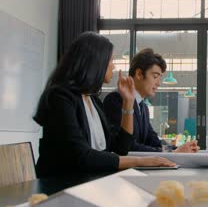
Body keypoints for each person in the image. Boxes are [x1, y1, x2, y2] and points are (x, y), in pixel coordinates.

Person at [34, 32, 176, 178]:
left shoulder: (93, 100)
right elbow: (81, 156)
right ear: (96, 62)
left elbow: (121, 147)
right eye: (111, 60)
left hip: (89, 182)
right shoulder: (60, 97)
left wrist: (128, 102)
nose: (113, 66)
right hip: (59, 186)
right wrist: (141, 161)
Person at [104, 48, 199, 153]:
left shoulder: (143, 106)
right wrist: (172, 153)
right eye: (155, 76)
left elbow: (152, 139)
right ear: (139, 74)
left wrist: (179, 149)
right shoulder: (116, 100)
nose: (158, 83)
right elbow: (127, 146)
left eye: (160, 78)